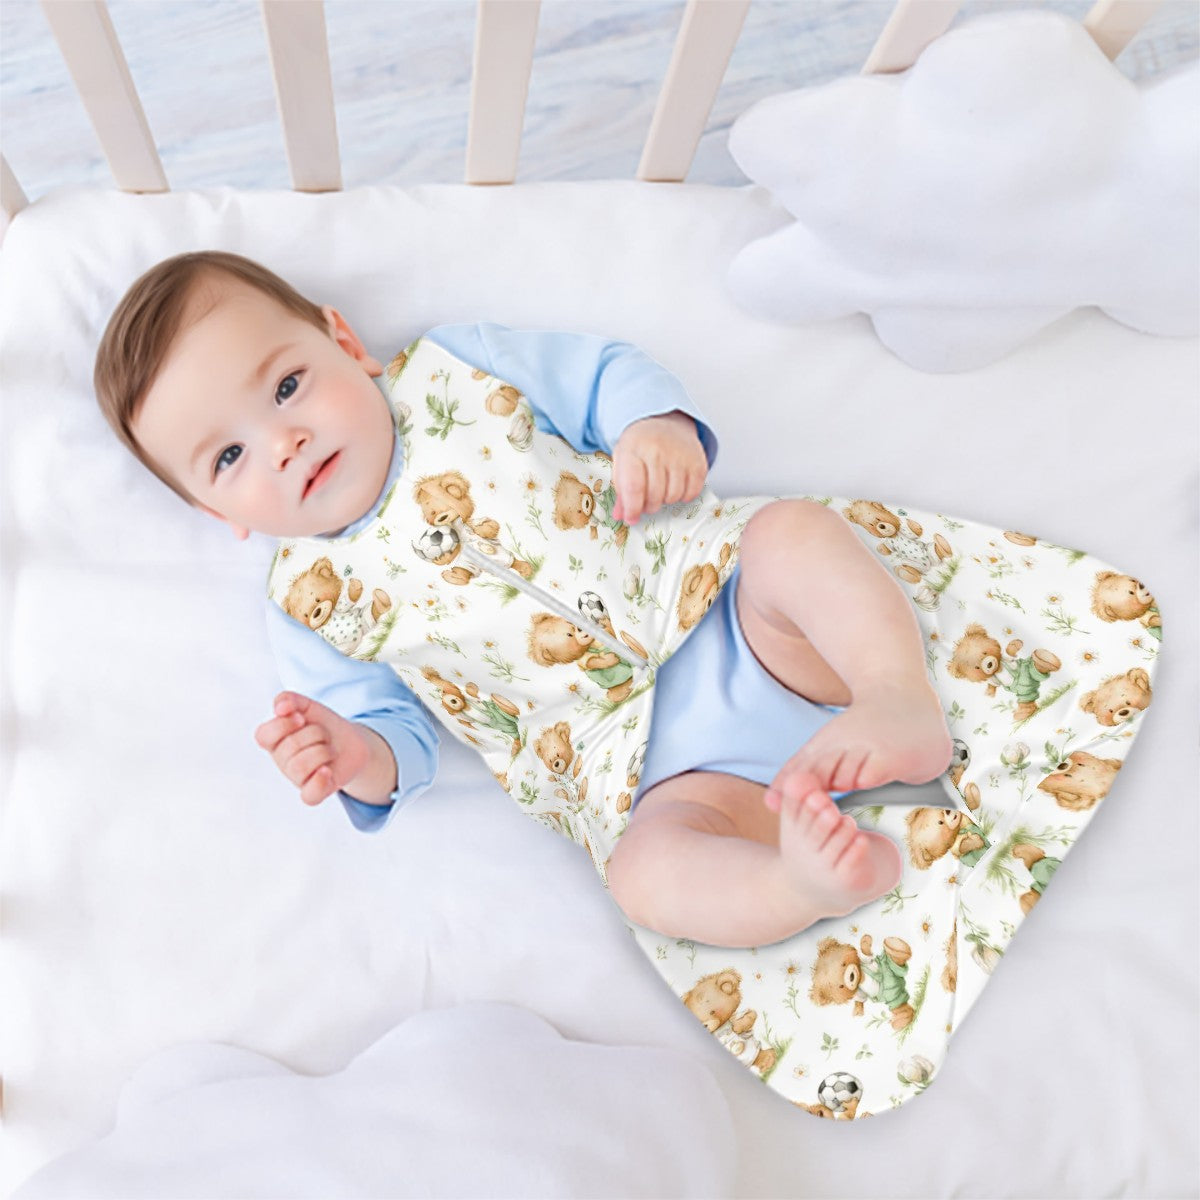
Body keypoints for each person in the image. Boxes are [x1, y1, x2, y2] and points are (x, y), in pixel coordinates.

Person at [94, 251, 952, 950]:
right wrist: (353, 753)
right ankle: (795, 882)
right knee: (643, 879)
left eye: (286, 387)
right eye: (230, 458)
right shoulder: (304, 604)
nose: (284, 443)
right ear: (218, 514)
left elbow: (598, 375)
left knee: (790, 535)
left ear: (344, 341)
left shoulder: (455, 371)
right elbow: (398, 741)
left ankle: (891, 693)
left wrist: (650, 426)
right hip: (646, 775)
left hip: (730, 608)